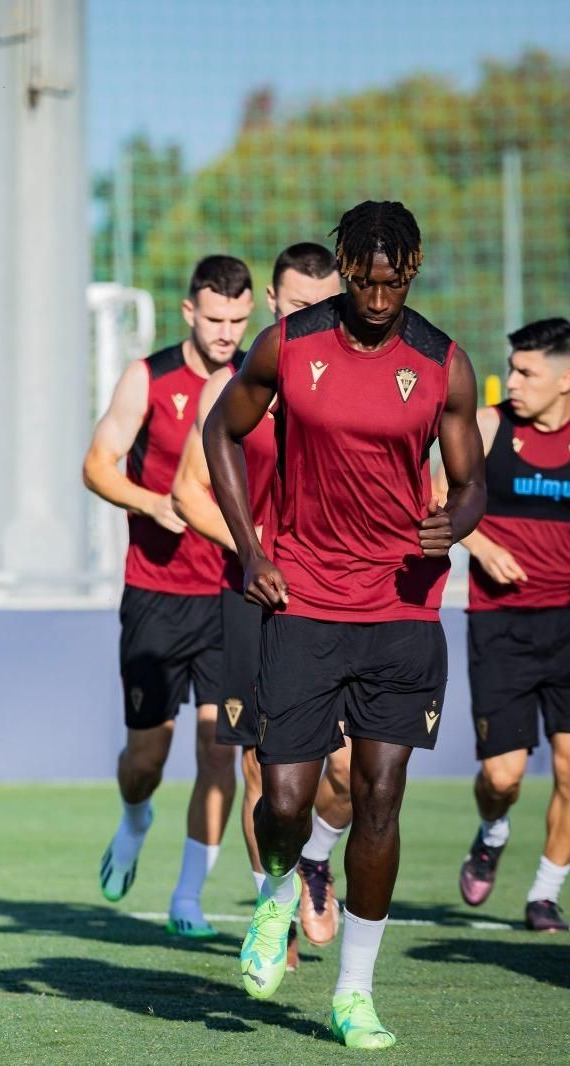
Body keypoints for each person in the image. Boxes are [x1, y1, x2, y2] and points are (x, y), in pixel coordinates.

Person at [205, 200, 484, 1049]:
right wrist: (251, 548)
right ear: (344, 266)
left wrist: (458, 522)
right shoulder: (290, 345)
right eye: (363, 279)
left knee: (380, 794)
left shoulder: (443, 362)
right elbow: (225, 429)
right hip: (304, 603)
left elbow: (473, 479)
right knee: (284, 800)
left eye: (392, 281)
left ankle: (354, 994)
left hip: (401, 608)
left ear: (415, 268)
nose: (376, 295)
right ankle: (279, 890)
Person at [171, 243, 351, 959]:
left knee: (343, 771)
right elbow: (189, 491)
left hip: (339, 598)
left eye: (324, 305)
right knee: (257, 768)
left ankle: (316, 856)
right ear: (273, 305)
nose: (311, 318)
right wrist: (255, 552)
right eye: (298, 305)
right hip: (251, 598)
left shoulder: (360, 380)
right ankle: (271, 911)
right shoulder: (240, 386)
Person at [82, 255, 252, 936]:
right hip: (155, 596)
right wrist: (153, 502)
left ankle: (187, 898)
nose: (227, 333)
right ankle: (133, 819)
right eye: (215, 319)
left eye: (240, 320)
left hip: (228, 599)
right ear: (189, 312)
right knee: (146, 758)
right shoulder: (148, 378)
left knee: (218, 748)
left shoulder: (255, 382)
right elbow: (97, 464)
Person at [455, 316, 570, 932]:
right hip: (501, 625)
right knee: (502, 776)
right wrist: (480, 544)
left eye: (528, 372)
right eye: (513, 368)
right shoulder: (489, 425)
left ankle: (544, 894)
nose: (513, 381)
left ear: (567, 379)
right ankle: (493, 831)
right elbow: (430, 498)